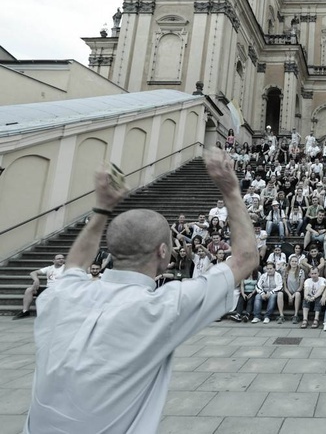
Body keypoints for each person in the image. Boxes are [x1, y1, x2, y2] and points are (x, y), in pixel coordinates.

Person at [24, 148, 258, 433]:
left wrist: (102, 208)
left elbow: (75, 263)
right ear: (163, 251)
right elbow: (245, 258)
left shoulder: (58, 296)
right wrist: (231, 189)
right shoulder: (163, 308)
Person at [13, 254, 66, 320]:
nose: (61, 260)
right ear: (53, 261)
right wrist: (36, 280)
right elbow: (33, 273)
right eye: (59, 258)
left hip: (60, 289)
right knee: (29, 290)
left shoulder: (66, 268)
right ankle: (25, 311)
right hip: (48, 290)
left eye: (63, 258)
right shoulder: (49, 268)